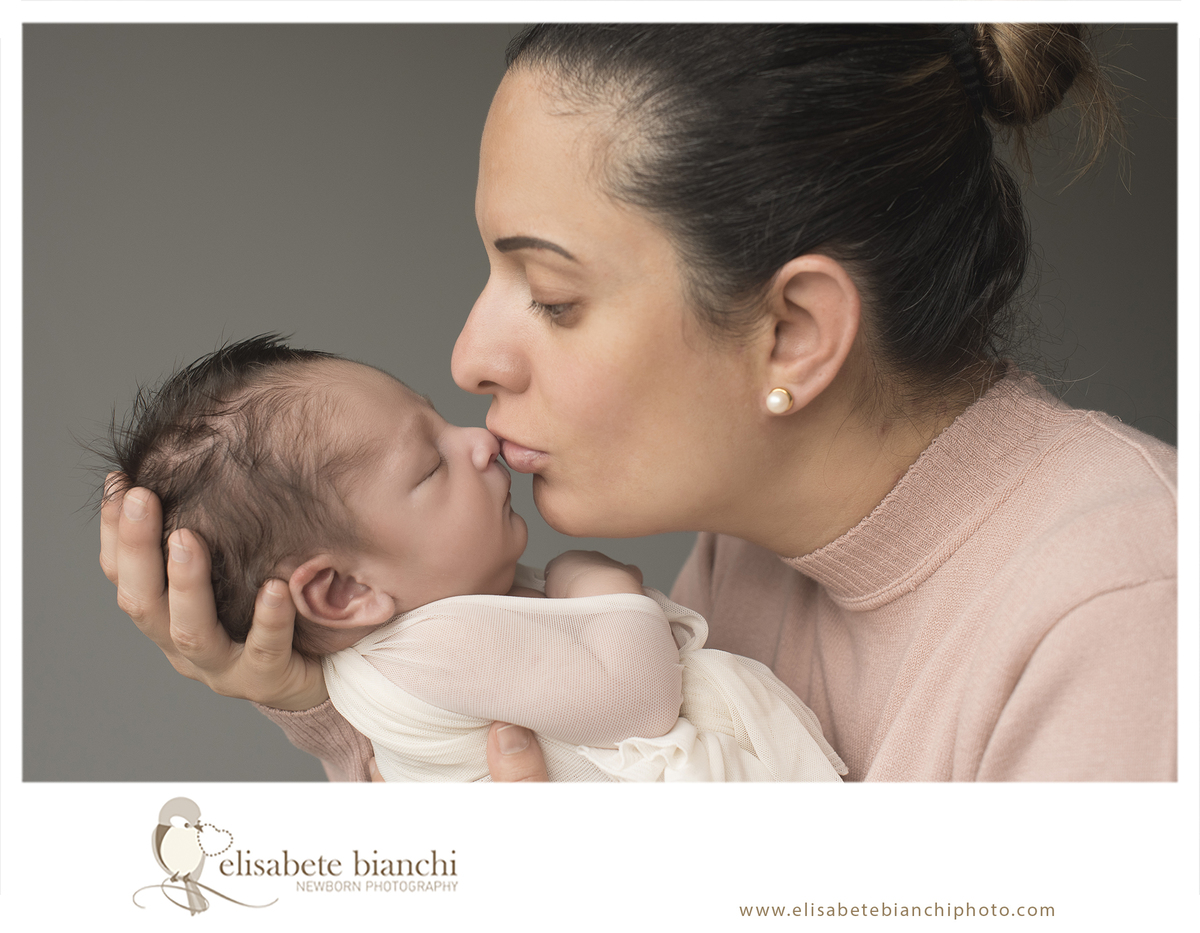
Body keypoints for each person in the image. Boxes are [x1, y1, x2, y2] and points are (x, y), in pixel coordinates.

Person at [100, 24, 1176, 782]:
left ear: (793, 331)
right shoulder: (760, 539)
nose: (470, 357)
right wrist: (322, 696)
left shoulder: (1126, 613)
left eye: (554, 298)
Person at [100, 335, 846, 782]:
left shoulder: (401, 660)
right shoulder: (434, 648)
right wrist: (593, 579)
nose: (479, 439)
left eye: (439, 419)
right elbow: (639, 695)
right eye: (430, 466)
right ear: (342, 590)